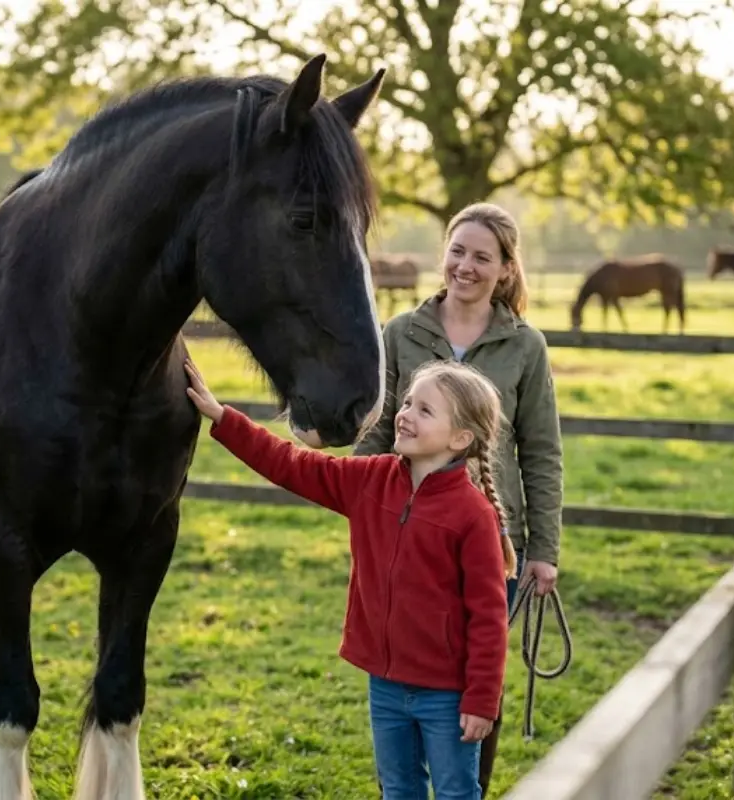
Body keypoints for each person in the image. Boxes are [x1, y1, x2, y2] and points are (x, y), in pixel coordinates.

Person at [184, 356, 512, 800]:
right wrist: (224, 418)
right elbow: (292, 465)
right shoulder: (370, 480)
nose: (405, 414)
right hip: (386, 686)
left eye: (425, 410)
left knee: (456, 792)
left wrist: (481, 701)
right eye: (409, 402)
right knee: (398, 789)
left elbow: (489, 618)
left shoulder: (473, 517)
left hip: (447, 694)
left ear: (461, 438)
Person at [354, 201, 564, 795]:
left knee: (477, 686)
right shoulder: (401, 332)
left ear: (505, 269)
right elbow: (379, 428)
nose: (465, 266)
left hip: (494, 541)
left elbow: (541, 452)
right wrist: (358, 485)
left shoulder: (526, 347)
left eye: (482, 256)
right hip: (411, 534)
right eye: (457, 251)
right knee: (404, 681)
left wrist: (542, 549)